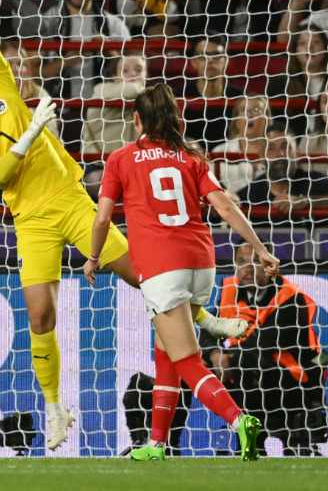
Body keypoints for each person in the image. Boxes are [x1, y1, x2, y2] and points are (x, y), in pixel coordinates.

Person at [0, 0, 244, 452]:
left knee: (141, 274)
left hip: (72, 202)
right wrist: (33, 131)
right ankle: (55, 408)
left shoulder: (1, 93)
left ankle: (200, 315)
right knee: (40, 316)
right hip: (30, 220)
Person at [84, 83, 280, 461]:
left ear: (136, 119)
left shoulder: (122, 159)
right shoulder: (190, 157)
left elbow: (103, 217)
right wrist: (259, 248)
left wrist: (93, 257)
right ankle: (157, 444)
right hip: (201, 263)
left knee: (187, 360)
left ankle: (239, 422)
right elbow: (224, 207)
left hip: (161, 267)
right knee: (166, 355)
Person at [218, 243, 328, 455]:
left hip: (293, 380)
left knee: (253, 361)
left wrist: (227, 357)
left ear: (270, 266)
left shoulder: (291, 297)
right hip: (249, 372)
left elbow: (264, 342)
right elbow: (208, 331)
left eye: (255, 261)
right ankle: (168, 443)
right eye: (241, 262)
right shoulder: (228, 291)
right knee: (192, 363)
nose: (247, 268)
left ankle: (264, 437)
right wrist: (214, 354)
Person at [40, 0, 130, 101]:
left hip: (104, 109)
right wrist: (69, 59)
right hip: (58, 108)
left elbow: (133, 74)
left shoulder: (114, 24)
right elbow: (34, 74)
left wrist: (109, 50)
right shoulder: (46, 21)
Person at [240, 122, 328, 222]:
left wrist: (306, 202)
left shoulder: (314, 181)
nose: (280, 154)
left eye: (285, 147)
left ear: (297, 153)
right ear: (261, 155)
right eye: (271, 148)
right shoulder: (250, 194)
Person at [267, 25, 328, 136]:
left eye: (316, 42)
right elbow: (275, 122)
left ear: (325, 47)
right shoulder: (279, 83)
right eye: (303, 43)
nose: (310, 48)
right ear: (295, 50)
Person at [182, 37, 243, 149]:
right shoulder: (179, 96)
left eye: (216, 55)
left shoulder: (240, 98)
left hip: (230, 161)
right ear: (193, 62)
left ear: (226, 61)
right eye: (203, 56)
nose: (210, 60)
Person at [81, 54, 147, 157]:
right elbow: (134, 89)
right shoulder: (102, 89)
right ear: (115, 77)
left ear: (146, 75)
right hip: (96, 162)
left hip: (126, 161)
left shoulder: (143, 100)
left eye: (138, 70)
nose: (133, 74)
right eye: (125, 71)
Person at [210, 96, 270, 195]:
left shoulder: (276, 150)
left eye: (256, 110)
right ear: (236, 121)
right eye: (243, 110)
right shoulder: (219, 151)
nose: (249, 115)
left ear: (267, 119)